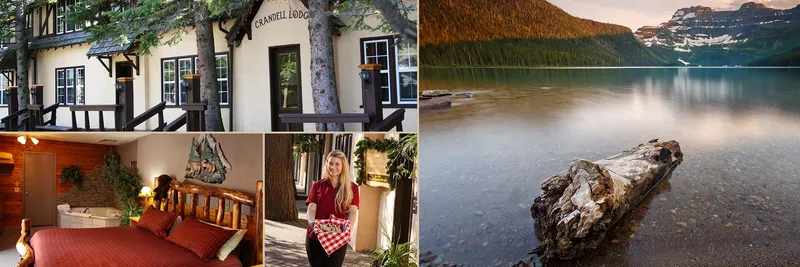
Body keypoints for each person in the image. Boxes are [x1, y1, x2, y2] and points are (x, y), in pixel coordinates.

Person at [305, 150, 360, 267]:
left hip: (338, 238)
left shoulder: (352, 188)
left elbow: (353, 211)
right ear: (326, 164)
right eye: (330, 163)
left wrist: (348, 229)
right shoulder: (318, 185)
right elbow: (311, 208)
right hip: (316, 236)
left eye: (337, 164)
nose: (333, 167)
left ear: (343, 166)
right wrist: (311, 222)